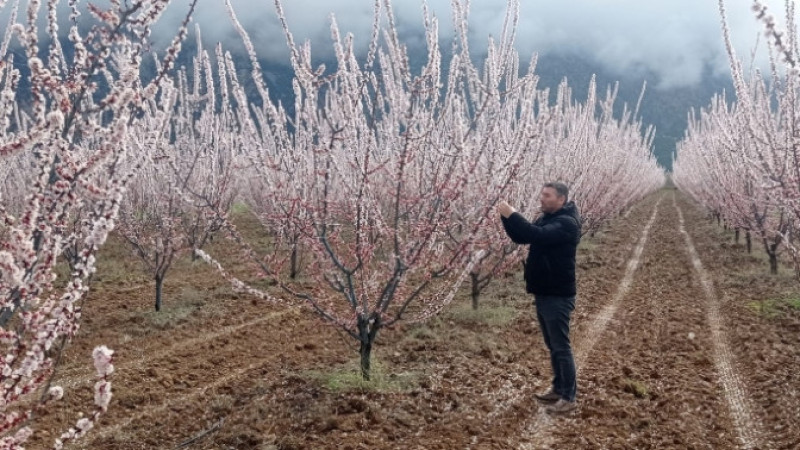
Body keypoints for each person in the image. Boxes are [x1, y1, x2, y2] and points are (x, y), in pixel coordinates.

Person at [497, 182, 581, 414]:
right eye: (542, 194)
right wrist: (507, 217)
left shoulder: (566, 223)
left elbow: (536, 234)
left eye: (547, 195)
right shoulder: (548, 218)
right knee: (552, 345)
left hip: (557, 294)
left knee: (561, 346)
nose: (541, 198)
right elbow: (522, 237)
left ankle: (568, 396)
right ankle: (558, 387)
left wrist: (512, 214)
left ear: (561, 199)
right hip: (544, 291)